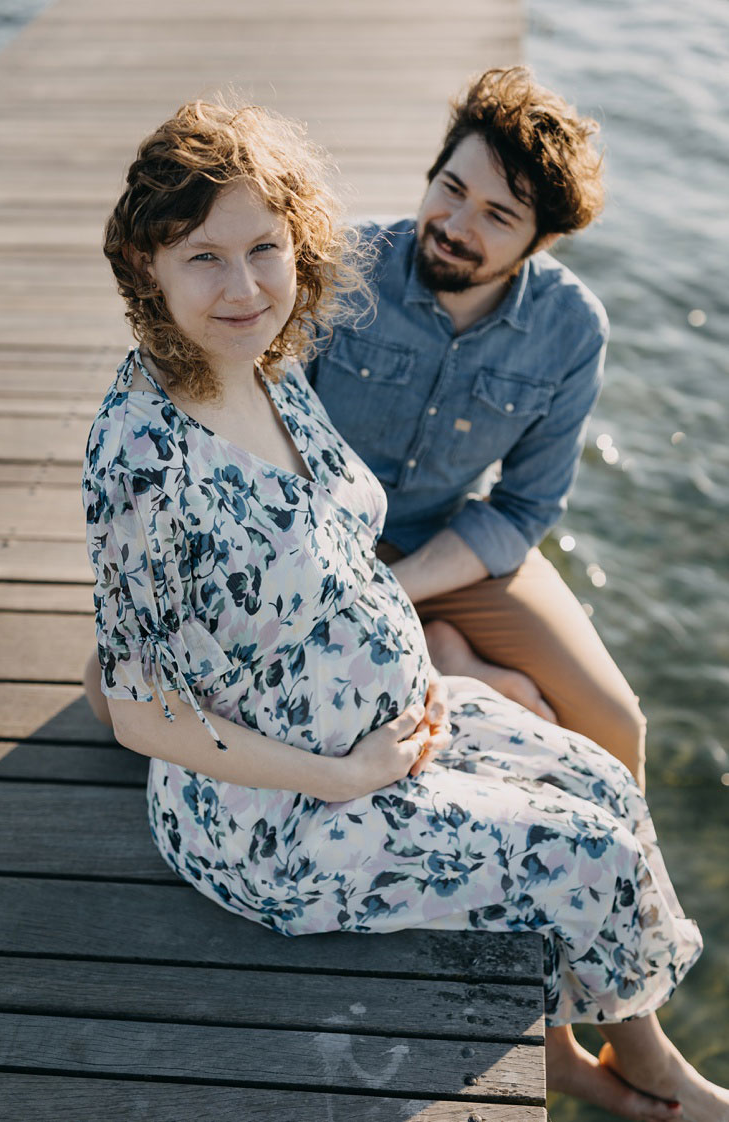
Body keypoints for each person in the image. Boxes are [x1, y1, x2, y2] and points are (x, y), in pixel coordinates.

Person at [82, 98, 723, 1120]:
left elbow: (474, 520)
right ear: (145, 263)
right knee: (585, 852)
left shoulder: (269, 367)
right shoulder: (145, 456)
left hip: (383, 722)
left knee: (604, 776)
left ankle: (619, 1046)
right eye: (203, 256)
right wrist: (346, 771)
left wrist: (418, 677)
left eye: (264, 248)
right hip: (279, 817)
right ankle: (634, 1070)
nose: (245, 285)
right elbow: (137, 713)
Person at [302, 68, 647, 785]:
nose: (456, 228)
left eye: (498, 216)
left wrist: (395, 590)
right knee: (119, 694)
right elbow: (260, 434)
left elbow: (524, 506)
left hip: (442, 545)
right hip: (314, 537)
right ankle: (444, 659)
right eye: (452, 190)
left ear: (541, 241)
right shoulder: (339, 265)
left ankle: (634, 892)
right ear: (432, 174)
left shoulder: (572, 328)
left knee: (614, 724)